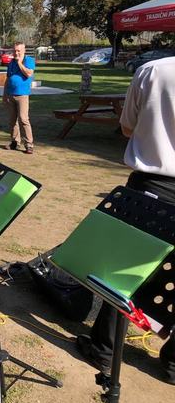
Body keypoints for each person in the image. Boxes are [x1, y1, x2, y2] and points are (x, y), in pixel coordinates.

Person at [76, 56, 175, 385]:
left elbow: (127, 127)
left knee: (125, 273)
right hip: (155, 186)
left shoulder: (154, 70)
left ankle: (104, 350)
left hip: (154, 186)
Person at [3, 41, 35, 154]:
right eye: (14, 50)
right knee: (12, 120)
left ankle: (29, 144)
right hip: (10, 94)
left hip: (22, 95)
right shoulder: (11, 63)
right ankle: (15, 142)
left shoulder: (28, 60)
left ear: (24, 50)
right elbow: (8, 79)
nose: (16, 53)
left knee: (23, 119)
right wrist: (4, 94)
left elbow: (28, 74)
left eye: (18, 51)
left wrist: (20, 63)